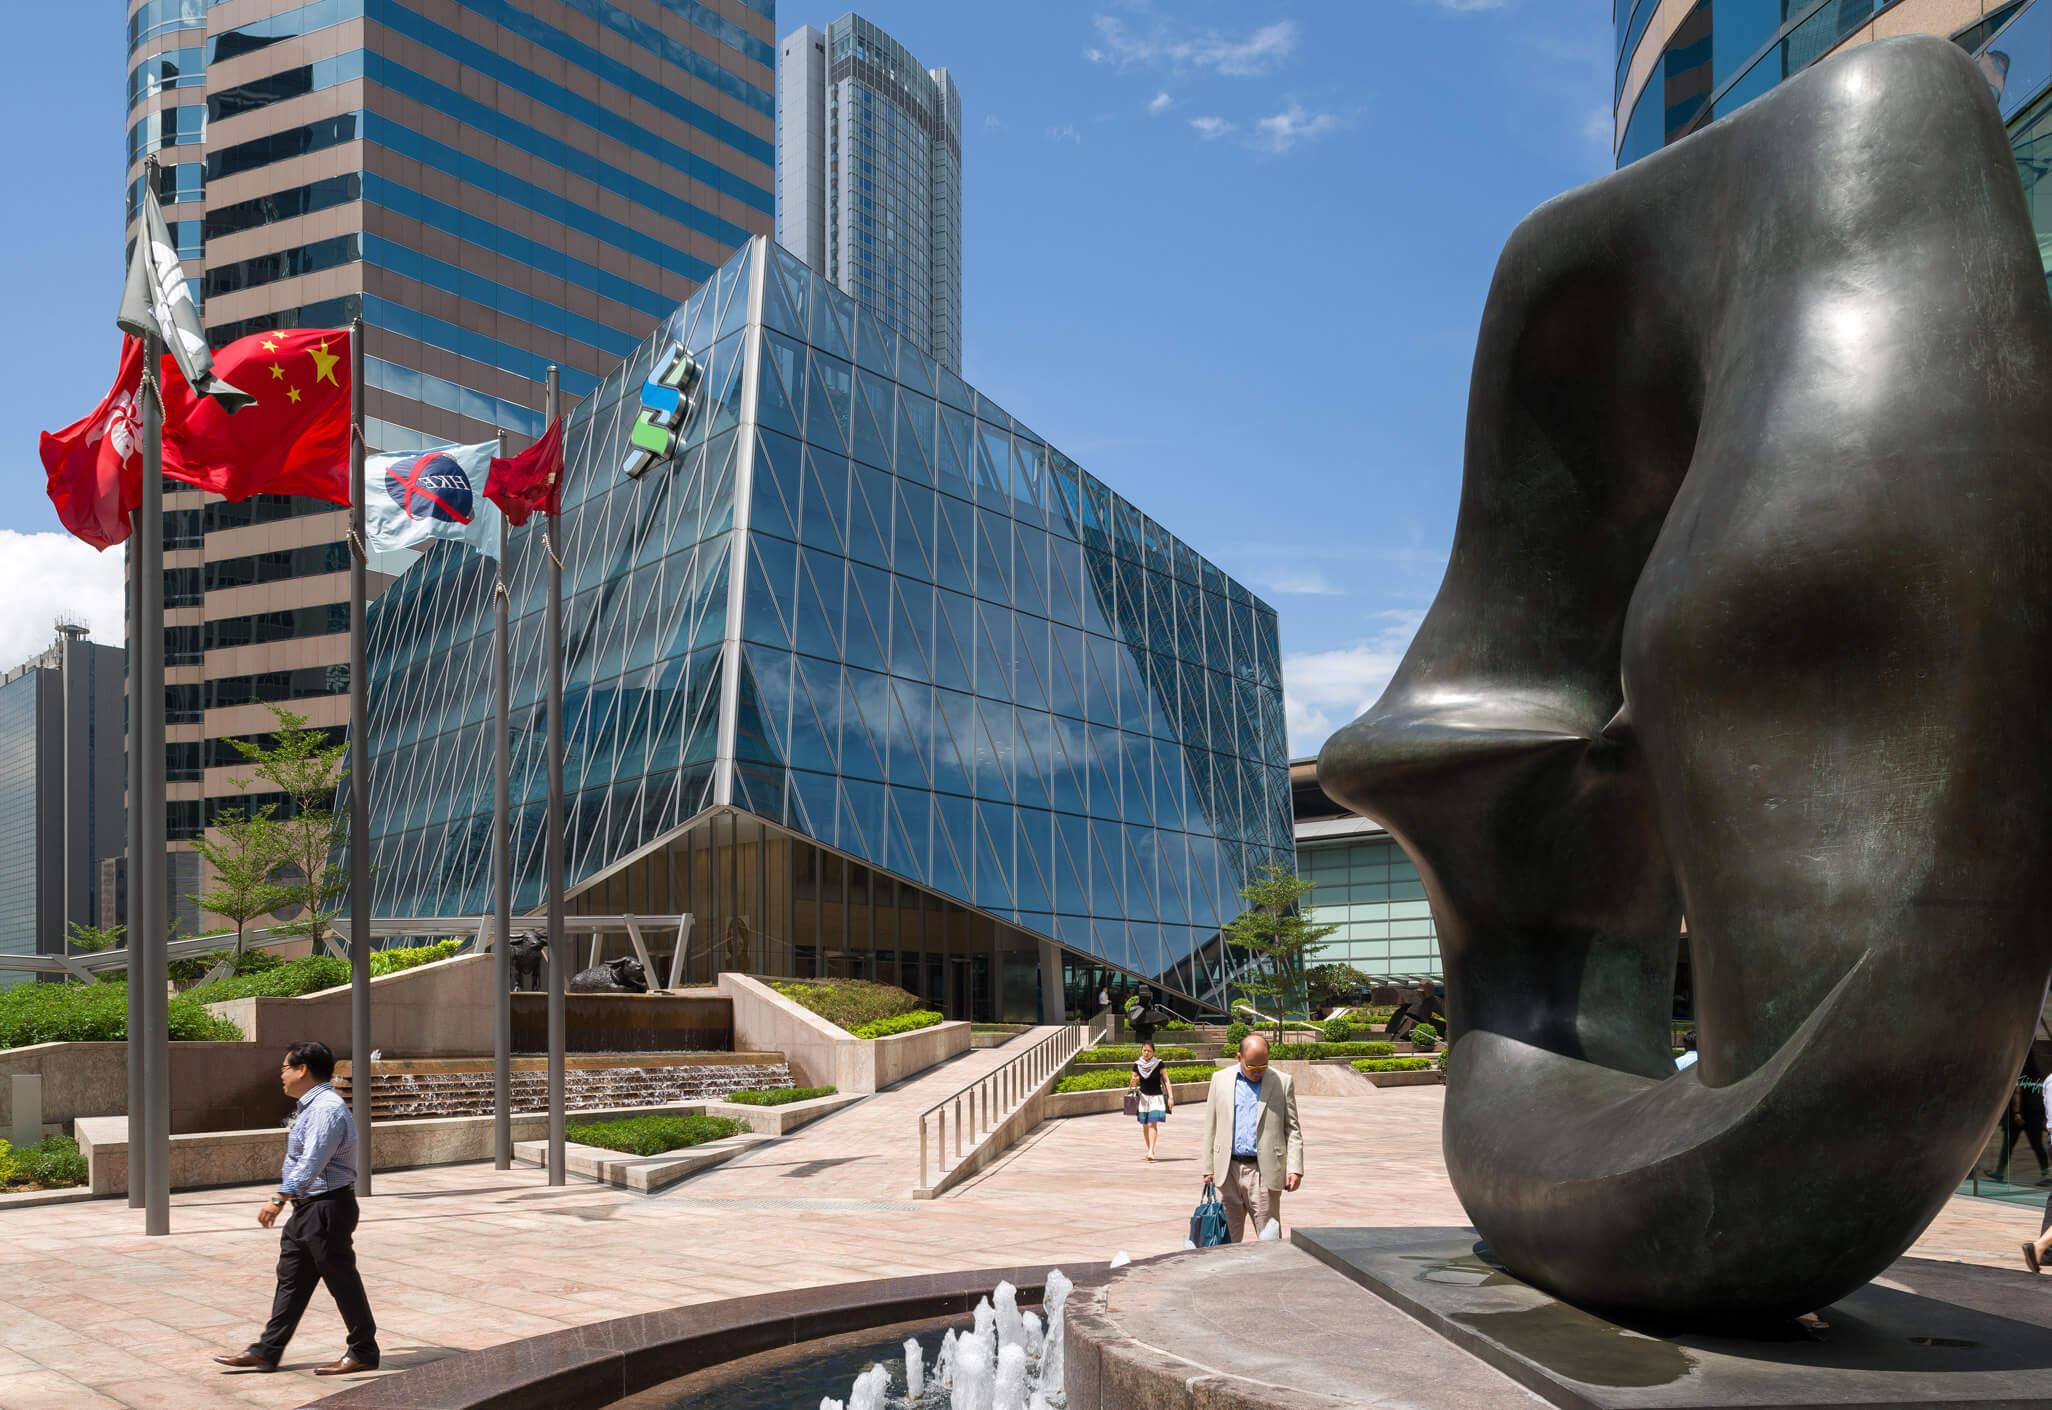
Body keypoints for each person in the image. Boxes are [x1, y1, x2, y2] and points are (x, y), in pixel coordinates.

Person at [214, 1041, 381, 1376]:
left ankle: (363, 1349)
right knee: (291, 1281)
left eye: (285, 1068)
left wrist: (279, 1198)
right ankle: (267, 1351)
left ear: (303, 1069)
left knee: (341, 1280)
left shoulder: (326, 1109)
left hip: (328, 1207)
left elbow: (312, 1161)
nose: (281, 1075)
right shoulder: (312, 1107)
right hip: (309, 1209)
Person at [1201, 1031, 1304, 1240]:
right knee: (1223, 1240)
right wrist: (1208, 1167)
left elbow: (1292, 1128)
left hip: (1263, 1173)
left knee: (1269, 1240)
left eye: (1263, 1066)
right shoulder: (1220, 1080)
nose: (1258, 1072)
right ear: (1239, 1057)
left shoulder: (1282, 1082)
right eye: (1252, 1067)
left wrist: (1295, 1168)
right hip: (1227, 1171)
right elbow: (1210, 1126)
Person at [1129, 1040, 1175, 1160]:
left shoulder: (1159, 1064)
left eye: (1149, 1050)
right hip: (1143, 1098)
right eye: (1144, 1050)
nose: (1146, 1053)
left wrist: (1171, 1097)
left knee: (1152, 1123)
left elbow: (1166, 1080)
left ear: (1154, 1052)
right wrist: (1134, 1081)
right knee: (1145, 1125)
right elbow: (1133, 1083)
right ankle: (1150, 1149)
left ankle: (1151, 1151)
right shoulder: (1137, 1064)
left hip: (1156, 1097)